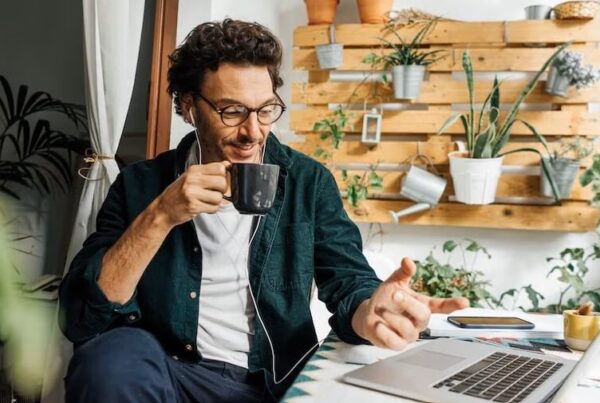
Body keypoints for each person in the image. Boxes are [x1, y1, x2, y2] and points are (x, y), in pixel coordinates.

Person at [59, 19, 468, 403]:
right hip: (170, 372)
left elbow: (348, 283)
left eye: (266, 109)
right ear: (188, 107)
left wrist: (370, 313)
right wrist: (162, 214)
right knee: (108, 358)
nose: (253, 132)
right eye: (232, 111)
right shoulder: (140, 186)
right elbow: (83, 317)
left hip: (271, 380)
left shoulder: (308, 182)